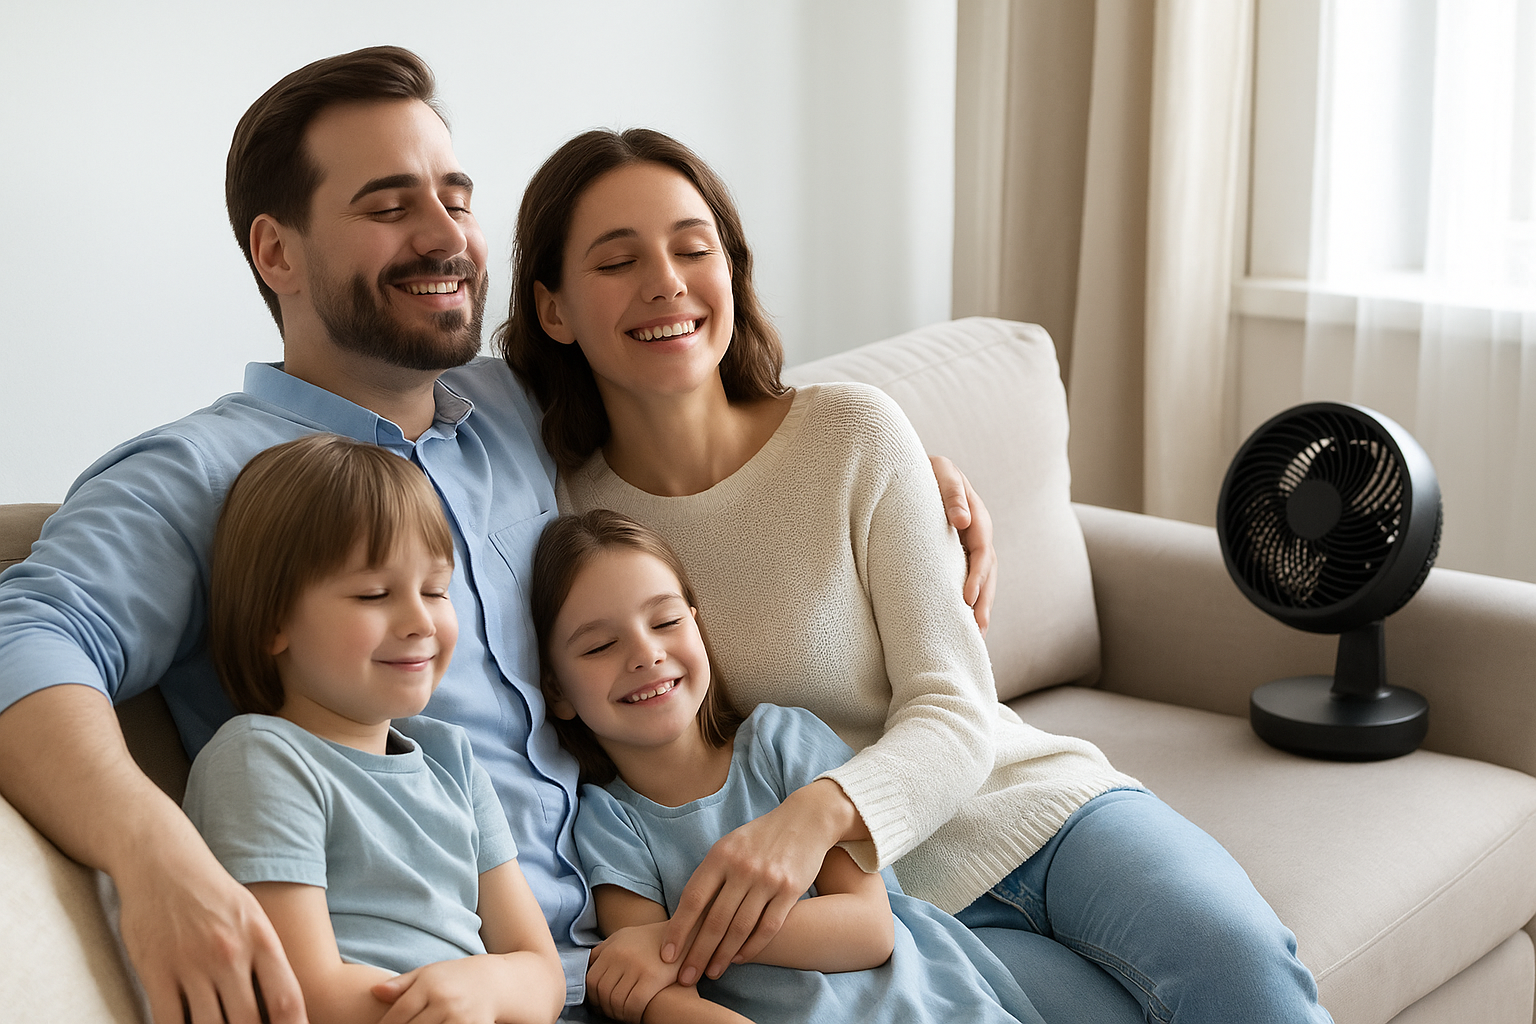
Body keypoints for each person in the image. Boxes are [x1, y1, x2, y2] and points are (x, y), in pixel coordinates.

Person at [0, 46, 996, 1024]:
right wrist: (152, 853)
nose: (447, 238)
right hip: (453, 990)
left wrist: (913, 479)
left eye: (458, 197)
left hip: (661, 943)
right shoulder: (199, 474)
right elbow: (25, 638)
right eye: (390, 207)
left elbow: (697, 384)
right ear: (277, 252)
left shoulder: (513, 405)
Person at [499, 126, 1336, 1024]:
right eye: (617, 262)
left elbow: (953, 703)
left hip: (1034, 812)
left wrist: (814, 815)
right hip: (899, 914)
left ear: (729, 272)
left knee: (1240, 969)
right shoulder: (563, 514)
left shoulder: (853, 433)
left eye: (692, 248)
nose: (665, 280)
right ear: (553, 310)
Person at [531, 509, 1042, 1024]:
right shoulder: (607, 821)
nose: (646, 653)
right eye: (600, 645)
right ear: (556, 690)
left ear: (697, 626)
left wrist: (672, 936)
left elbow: (868, 929)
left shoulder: (781, 742)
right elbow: (653, 990)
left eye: (666, 622)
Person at [183, 433, 565, 1024]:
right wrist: (447, 1005)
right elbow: (301, 990)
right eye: (373, 593)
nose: (419, 621)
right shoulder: (263, 759)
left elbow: (542, 974)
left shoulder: (452, 762)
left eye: (436, 590)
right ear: (272, 622)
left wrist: (484, 987)